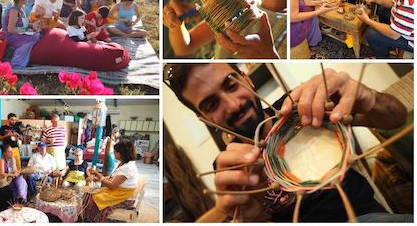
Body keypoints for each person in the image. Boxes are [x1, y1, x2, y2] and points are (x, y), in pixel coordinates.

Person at [164, 63, 410, 222]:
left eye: (231, 85)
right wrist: (247, 216)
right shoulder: (230, 168)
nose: (233, 105)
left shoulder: (301, 107)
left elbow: (396, 117)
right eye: (211, 105)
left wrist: (368, 98)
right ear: (203, 118)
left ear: (246, 79)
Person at [84, 139, 139, 222]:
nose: (114, 153)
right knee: (90, 194)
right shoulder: (122, 163)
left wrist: (98, 175)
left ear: (122, 153)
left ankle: (93, 220)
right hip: (118, 192)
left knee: (95, 199)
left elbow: (112, 185)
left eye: (116, 151)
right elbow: (112, 177)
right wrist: (98, 179)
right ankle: (88, 217)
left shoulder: (128, 168)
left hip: (124, 197)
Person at [1, 0, 42, 68]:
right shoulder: (14, 11)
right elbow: (10, 29)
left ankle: (25, 59)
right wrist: (26, 32)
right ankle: (16, 60)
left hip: (18, 33)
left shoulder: (22, 8)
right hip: (10, 36)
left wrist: (32, 25)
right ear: (20, 0)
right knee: (34, 37)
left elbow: (23, 24)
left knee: (38, 35)